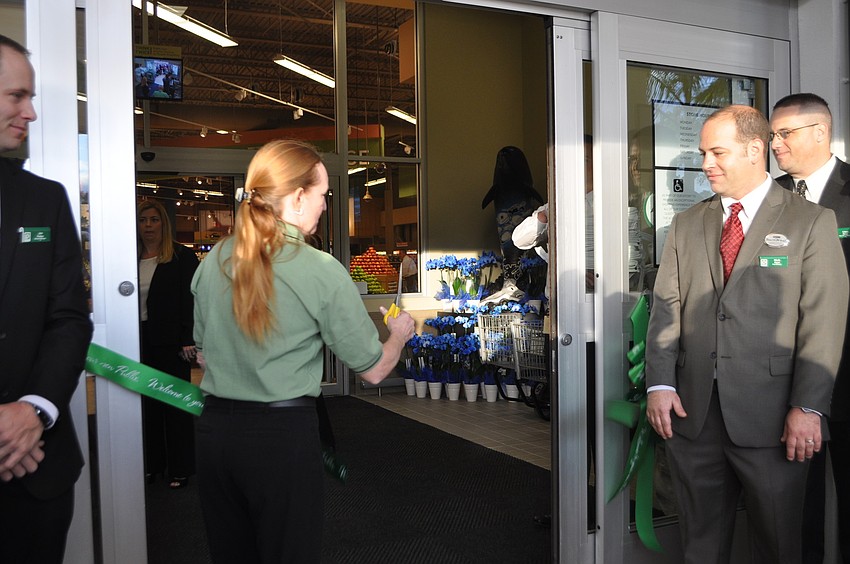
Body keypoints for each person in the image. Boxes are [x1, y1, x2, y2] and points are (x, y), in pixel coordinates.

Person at [191, 139, 415, 563]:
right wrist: (399, 334)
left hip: (215, 436)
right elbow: (373, 371)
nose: (325, 205)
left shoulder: (214, 260)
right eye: (322, 194)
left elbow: (203, 354)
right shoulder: (320, 269)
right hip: (280, 440)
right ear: (296, 198)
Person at [645, 104, 848, 564]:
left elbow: (823, 321)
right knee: (700, 545)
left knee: (778, 545)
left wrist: (808, 407)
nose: (706, 164)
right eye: (703, 153)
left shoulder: (810, 221)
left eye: (717, 153)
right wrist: (659, 384)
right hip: (694, 416)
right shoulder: (687, 223)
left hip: (774, 419)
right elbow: (666, 309)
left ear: (755, 150)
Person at [0, 35, 93, 563]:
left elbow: (69, 319)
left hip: (38, 471)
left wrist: (33, 411)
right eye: (17, 96)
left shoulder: (44, 200)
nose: (30, 113)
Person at [770, 92, 850, 564]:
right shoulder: (767, 197)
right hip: (784, 387)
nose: (775, 144)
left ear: (821, 132)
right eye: (772, 135)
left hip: (846, 380)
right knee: (798, 517)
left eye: (785, 133)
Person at [137, 199, 199, 489]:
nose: (148, 226)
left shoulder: (181, 257)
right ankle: (153, 465)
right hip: (139, 340)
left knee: (176, 406)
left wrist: (188, 339)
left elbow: (190, 301)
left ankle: (181, 468)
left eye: (154, 220)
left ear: (164, 223)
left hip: (173, 342)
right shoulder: (129, 257)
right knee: (147, 406)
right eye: (143, 220)